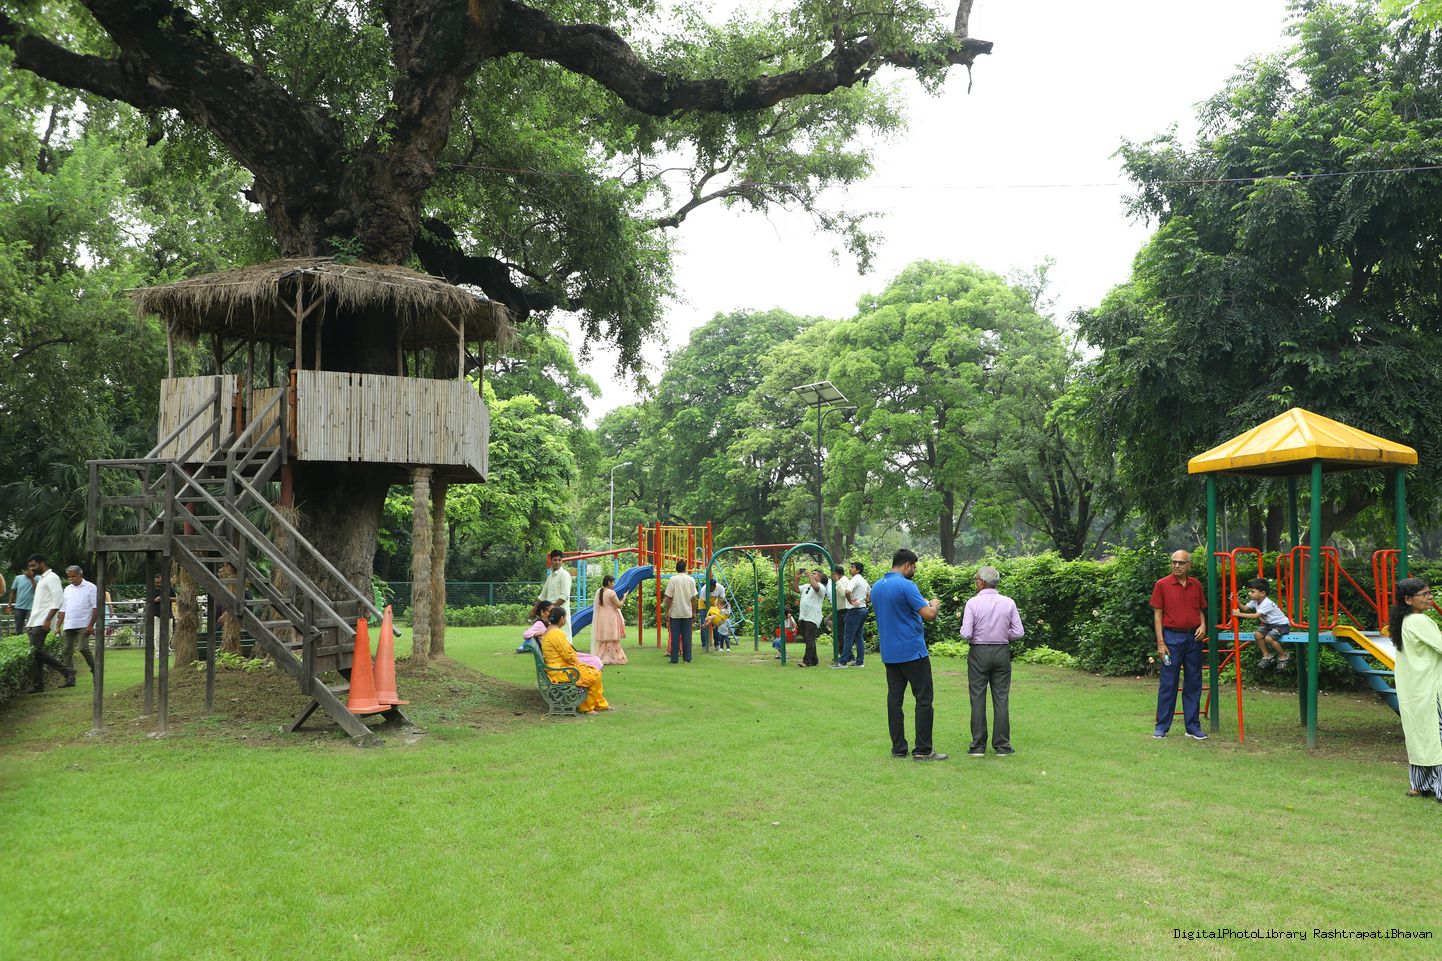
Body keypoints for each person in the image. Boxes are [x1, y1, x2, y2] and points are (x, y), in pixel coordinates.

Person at [872, 548, 946, 760]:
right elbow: (929, 615)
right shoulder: (906, 585)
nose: (914, 571)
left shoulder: (877, 587)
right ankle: (923, 750)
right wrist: (934, 604)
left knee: (894, 701)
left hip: (890, 653)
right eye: (914, 567)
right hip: (913, 652)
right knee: (923, 699)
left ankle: (898, 749)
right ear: (907, 565)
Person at [960, 565, 1024, 757]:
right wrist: (1003, 635)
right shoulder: (1008, 602)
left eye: (976, 580)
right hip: (1001, 651)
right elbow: (1019, 632)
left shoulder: (973, 603)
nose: (975, 582)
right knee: (1001, 698)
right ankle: (1002, 745)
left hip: (979, 652)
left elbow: (966, 633)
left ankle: (978, 746)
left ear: (981, 582)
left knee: (977, 698)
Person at [1390, 578, 1442, 800]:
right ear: (1408, 600)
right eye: (1424, 594)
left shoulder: (1403, 621)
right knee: (1436, 737)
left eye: (1430, 593)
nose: (1430, 598)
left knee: (1419, 736)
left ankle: (1419, 785)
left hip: (1413, 689)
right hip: (1430, 688)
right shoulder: (1420, 621)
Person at [1152, 549, 1209, 740]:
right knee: (1168, 683)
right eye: (1174, 562)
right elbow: (1157, 616)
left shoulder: (1196, 585)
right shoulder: (1162, 584)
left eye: (1181, 563)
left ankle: (1192, 727)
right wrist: (1161, 643)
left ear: (1188, 565)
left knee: (1194, 682)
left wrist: (1203, 625)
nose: (1176, 565)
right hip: (1171, 638)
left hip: (1193, 639)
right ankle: (1162, 727)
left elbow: (1200, 609)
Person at [540, 607, 610, 713]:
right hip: (559, 671)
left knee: (594, 672)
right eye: (565, 618)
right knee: (594, 675)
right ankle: (587, 708)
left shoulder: (549, 631)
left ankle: (599, 704)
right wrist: (576, 663)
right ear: (562, 618)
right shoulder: (556, 633)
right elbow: (567, 656)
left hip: (557, 668)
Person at [24, 554, 75, 692]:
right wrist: (30, 623)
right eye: (29, 566)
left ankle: (67, 672)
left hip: (43, 620)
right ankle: (38, 685)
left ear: (42, 563)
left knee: (36, 651)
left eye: (33, 565)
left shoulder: (52, 577)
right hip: (36, 620)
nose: (31, 569)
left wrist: (47, 620)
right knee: (35, 653)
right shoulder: (42, 579)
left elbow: (58, 601)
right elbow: (40, 603)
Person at [1231, 577, 1291, 671]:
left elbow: (1255, 616)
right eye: (1249, 591)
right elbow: (1245, 608)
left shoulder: (1266, 603)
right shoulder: (1255, 601)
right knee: (1257, 634)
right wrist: (1237, 602)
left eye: (1252, 591)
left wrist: (1239, 614)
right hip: (1269, 625)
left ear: (1262, 593)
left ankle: (1283, 656)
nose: (1249, 593)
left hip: (1281, 625)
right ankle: (1267, 655)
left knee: (1269, 638)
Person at [57, 564, 99, 677]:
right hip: (69, 624)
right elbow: (63, 609)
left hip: (84, 624)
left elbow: (95, 607)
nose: (71, 579)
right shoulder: (67, 589)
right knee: (66, 651)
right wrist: (58, 626)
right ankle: (70, 677)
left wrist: (91, 625)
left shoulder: (91, 587)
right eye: (69, 577)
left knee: (83, 648)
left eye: (73, 576)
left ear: (80, 575)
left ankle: (96, 670)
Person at [664, 560, 697, 664]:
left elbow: (668, 598)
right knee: (687, 636)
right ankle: (687, 658)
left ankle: (674, 658)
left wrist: (667, 612)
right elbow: (694, 598)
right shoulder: (691, 580)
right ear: (685, 568)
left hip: (675, 612)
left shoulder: (673, 579)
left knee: (675, 636)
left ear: (676, 569)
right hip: (687, 612)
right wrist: (694, 612)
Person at [538, 550, 574, 644]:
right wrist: (535, 609)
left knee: (564, 637)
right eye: (555, 560)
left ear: (562, 561)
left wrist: (551, 608)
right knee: (553, 637)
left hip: (561, 613)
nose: (557, 562)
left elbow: (564, 596)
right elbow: (543, 595)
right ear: (551, 561)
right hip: (551, 613)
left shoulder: (564, 575)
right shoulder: (550, 576)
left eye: (559, 560)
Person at [838, 561, 869, 668]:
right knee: (859, 636)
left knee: (848, 637)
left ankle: (843, 662)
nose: (850, 569)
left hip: (854, 611)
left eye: (852, 567)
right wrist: (865, 600)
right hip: (863, 610)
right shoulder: (864, 581)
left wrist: (850, 601)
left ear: (858, 570)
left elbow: (847, 592)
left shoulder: (854, 579)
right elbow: (870, 594)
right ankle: (860, 661)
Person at [592, 574, 629, 665]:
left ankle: (602, 657)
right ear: (609, 582)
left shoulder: (599, 591)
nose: (613, 584)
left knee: (604, 638)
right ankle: (615, 657)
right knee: (612, 638)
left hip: (601, 617)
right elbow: (619, 605)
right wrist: (624, 597)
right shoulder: (611, 592)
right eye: (613, 582)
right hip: (610, 617)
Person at [795, 568, 827, 667]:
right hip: (804, 616)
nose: (812, 575)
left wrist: (809, 575)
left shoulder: (821, 586)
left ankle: (807, 661)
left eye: (815, 574)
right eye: (812, 573)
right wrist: (797, 578)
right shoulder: (806, 586)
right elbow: (796, 589)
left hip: (813, 617)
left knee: (809, 638)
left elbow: (816, 587)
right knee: (808, 639)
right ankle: (814, 659)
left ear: (820, 578)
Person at [828, 565, 852, 668]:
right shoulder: (841, 581)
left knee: (841, 635)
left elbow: (843, 594)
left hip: (843, 610)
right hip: (840, 611)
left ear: (836, 574)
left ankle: (845, 657)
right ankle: (846, 656)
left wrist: (837, 581)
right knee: (840, 635)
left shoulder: (844, 581)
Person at [9, 564, 35, 637]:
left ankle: (31, 640)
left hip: (32, 607)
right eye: (26, 570)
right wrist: (9, 605)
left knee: (31, 627)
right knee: (18, 627)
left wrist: (32, 578)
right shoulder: (18, 578)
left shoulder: (38, 578)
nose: (27, 572)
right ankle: (19, 640)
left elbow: (37, 590)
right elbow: (13, 591)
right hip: (19, 607)